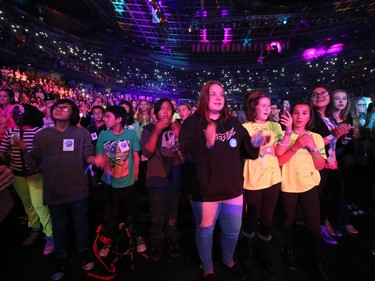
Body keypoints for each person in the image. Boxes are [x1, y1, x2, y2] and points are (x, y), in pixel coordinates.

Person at [179, 81, 264, 281]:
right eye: (213, 93)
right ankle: (207, 267)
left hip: (233, 189)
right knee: (206, 230)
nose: (218, 97)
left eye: (221, 94)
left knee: (233, 232)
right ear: (204, 97)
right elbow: (187, 155)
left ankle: (227, 259)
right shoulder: (192, 123)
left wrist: (254, 144)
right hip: (205, 190)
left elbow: (247, 152)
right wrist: (207, 144)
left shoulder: (232, 123)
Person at [21, 99, 99, 281]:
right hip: (54, 190)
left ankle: (83, 251)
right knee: (59, 226)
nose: (59, 109)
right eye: (56, 107)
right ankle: (61, 257)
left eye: (65, 107)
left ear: (73, 113)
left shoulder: (82, 133)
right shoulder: (42, 135)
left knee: (81, 224)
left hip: (78, 189)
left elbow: (88, 156)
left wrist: (95, 161)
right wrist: (24, 151)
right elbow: (34, 164)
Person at [240, 91, 291, 277]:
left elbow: (279, 152)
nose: (267, 108)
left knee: (268, 217)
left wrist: (289, 131)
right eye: (263, 105)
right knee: (251, 216)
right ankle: (247, 247)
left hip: (273, 178)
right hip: (253, 177)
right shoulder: (244, 127)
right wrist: (258, 146)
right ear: (253, 107)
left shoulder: (275, 126)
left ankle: (264, 248)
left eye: (269, 105)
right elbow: (242, 153)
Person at [277, 101, 329, 281]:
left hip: (309, 185)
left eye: (304, 113)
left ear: (310, 116)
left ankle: (316, 260)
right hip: (288, 184)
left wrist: (313, 147)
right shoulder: (284, 135)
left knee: (313, 223)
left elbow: (321, 165)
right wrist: (296, 146)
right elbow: (279, 162)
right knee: (288, 220)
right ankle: (289, 249)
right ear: (290, 115)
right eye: (296, 113)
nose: (299, 117)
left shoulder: (316, 137)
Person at [0, 104, 54, 255]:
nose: (16, 117)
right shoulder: (10, 132)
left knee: (39, 205)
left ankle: (50, 234)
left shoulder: (39, 132)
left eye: (19, 114)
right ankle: (35, 228)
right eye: (14, 114)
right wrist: (6, 165)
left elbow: (46, 154)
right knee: (28, 204)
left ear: (28, 114)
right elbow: (2, 151)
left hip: (35, 174)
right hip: (17, 175)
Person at [95, 106, 146, 257]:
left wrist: (135, 174)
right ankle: (108, 240)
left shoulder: (130, 135)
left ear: (119, 120)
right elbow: (100, 156)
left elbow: (136, 156)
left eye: (108, 116)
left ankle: (137, 236)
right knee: (111, 214)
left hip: (128, 183)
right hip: (110, 183)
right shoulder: (103, 135)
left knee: (133, 212)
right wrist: (99, 163)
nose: (105, 119)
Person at [141, 98, 182, 261]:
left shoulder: (177, 127)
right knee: (157, 214)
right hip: (156, 179)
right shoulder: (149, 128)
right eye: (162, 108)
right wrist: (157, 131)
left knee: (173, 213)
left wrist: (179, 133)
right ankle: (156, 241)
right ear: (156, 112)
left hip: (175, 178)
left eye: (169, 108)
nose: (166, 111)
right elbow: (147, 152)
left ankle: (173, 238)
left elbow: (185, 150)